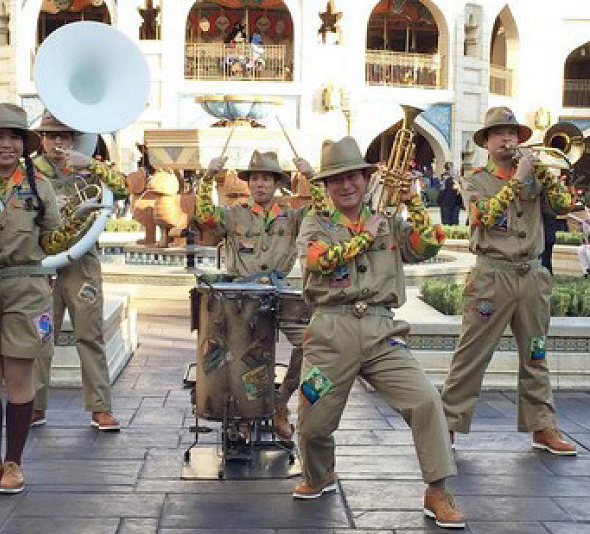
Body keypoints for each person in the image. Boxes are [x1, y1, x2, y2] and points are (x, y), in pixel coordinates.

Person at [294, 136, 463, 528]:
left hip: (381, 329)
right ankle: (320, 474)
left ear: (367, 178)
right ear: (326, 186)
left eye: (353, 176)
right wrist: (364, 237)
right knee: (313, 422)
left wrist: (415, 203)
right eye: (337, 179)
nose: (346, 185)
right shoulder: (315, 223)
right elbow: (317, 262)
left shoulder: (388, 220)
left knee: (425, 401)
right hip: (330, 332)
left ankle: (437, 490)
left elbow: (427, 246)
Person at [0, 103, 99, 495]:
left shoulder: (39, 186)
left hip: (26, 286)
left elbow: (52, 242)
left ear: (23, 144)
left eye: (13, 137)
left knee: (20, 377)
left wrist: (81, 220)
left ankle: (15, 465)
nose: (6, 144)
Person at [441, 107, 576, 456]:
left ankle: (542, 426)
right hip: (492, 276)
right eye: (499, 133)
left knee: (536, 353)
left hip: (530, 275)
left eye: (512, 133)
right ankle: (448, 424)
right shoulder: (475, 179)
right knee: (472, 353)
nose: (508, 139)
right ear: (486, 142)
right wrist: (518, 180)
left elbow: (563, 207)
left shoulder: (535, 175)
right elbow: (483, 217)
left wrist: (544, 175)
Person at [196, 150, 318, 440]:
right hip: (242, 295)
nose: (259, 184)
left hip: (279, 291)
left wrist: (312, 177)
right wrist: (206, 178)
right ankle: (243, 416)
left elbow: (327, 212)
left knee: (312, 344)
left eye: (266, 179)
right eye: (254, 179)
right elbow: (204, 217)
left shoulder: (293, 217)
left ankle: (280, 404)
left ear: (277, 184)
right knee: (240, 356)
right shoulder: (233, 214)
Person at [31, 110, 128, 432]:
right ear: (41, 140)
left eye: (64, 136)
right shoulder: (29, 172)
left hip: (82, 264)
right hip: (42, 264)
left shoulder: (86, 169)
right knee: (40, 336)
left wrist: (93, 165)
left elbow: (124, 189)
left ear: (73, 139)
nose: (58, 142)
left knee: (90, 335)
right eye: (52, 136)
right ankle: (34, 404)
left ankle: (100, 407)